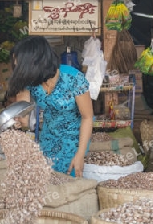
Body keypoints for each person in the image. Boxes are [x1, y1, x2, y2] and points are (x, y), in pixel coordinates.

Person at [8, 36, 93, 177]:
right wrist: (20, 120)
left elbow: (87, 117)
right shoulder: (30, 81)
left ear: (35, 63)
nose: (19, 72)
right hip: (48, 138)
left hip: (74, 140)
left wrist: (80, 154)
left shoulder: (73, 78)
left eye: (21, 67)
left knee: (69, 183)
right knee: (47, 181)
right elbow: (23, 112)